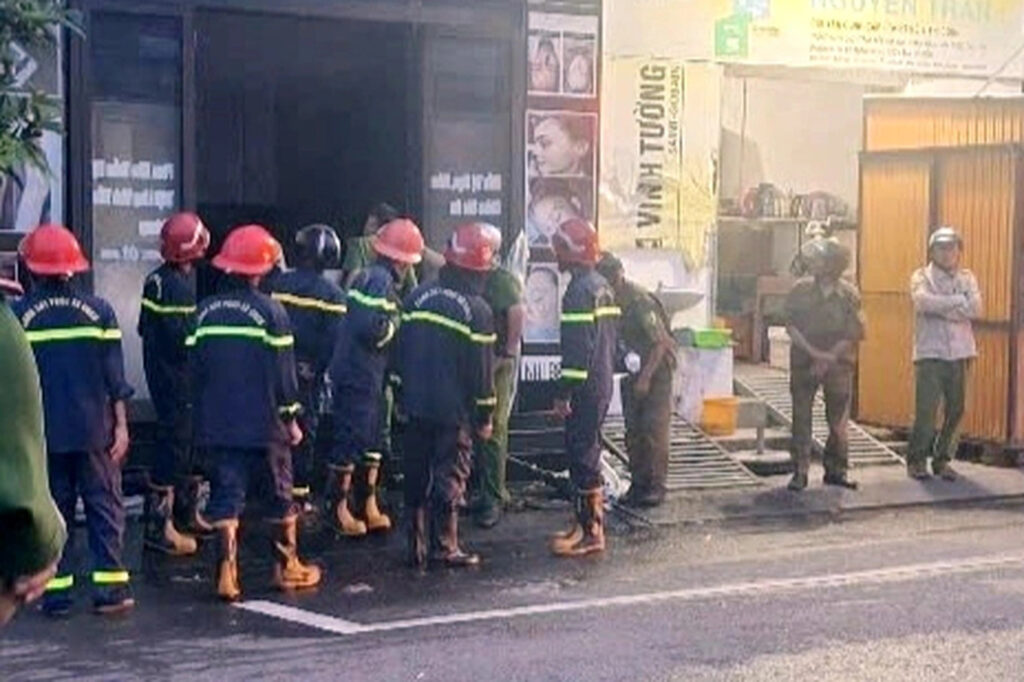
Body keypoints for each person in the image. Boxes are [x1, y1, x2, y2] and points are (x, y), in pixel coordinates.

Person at [190, 224, 320, 602]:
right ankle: (286, 567)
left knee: (226, 495)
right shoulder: (272, 312)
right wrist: (291, 419)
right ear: (261, 270)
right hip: (265, 426)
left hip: (219, 424)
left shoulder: (204, 312)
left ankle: (226, 575)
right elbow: (284, 376)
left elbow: (194, 370)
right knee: (280, 495)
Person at [12, 224, 135, 616]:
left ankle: (56, 595)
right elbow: (116, 379)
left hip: (44, 435)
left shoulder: (18, 316)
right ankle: (110, 592)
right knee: (104, 509)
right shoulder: (100, 312)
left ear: (31, 267)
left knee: (54, 512)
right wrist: (122, 426)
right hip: (95, 431)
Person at [398, 222, 497, 567]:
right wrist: (485, 417)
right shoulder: (478, 311)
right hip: (453, 413)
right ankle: (445, 546)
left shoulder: (416, 297)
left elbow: (399, 353)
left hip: (415, 405)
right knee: (450, 476)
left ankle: (415, 547)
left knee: (416, 474)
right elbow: (482, 374)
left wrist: (401, 395)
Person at [327, 218, 424, 537]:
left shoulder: (374, 278)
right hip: (359, 373)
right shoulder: (379, 281)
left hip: (372, 374)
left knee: (372, 439)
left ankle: (367, 504)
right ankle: (337, 510)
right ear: (401, 260)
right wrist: (397, 324)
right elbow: (370, 328)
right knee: (350, 437)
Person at [138, 212, 210, 556]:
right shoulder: (179, 288)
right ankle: (160, 526)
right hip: (177, 380)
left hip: (161, 376)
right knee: (175, 445)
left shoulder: (155, 280)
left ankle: (185, 513)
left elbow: (145, 328)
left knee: (185, 441)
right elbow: (186, 341)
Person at [549, 219, 619, 557]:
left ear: (573, 252)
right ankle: (583, 525)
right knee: (585, 452)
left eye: (560, 249)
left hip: (586, 388)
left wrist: (564, 392)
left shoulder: (578, 293)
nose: (556, 255)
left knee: (582, 455)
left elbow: (577, 352)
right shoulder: (602, 286)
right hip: (600, 382)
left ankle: (591, 533)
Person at [0, 275, 65, 626]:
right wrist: (42, 540)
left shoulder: (23, 313)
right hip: (83, 430)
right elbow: (21, 504)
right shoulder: (6, 326)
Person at [269, 224, 347, 508]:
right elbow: (333, 342)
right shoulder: (333, 295)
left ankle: (274, 491)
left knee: (274, 429)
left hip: (274, 370)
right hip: (306, 375)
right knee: (303, 433)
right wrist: (318, 369)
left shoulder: (279, 284)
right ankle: (299, 498)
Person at [784, 238, 865, 492]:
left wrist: (829, 357)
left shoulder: (849, 294)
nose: (814, 263)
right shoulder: (800, 290)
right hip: (804, 361)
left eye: (820, 260)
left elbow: (854, 332)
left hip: (838, 364)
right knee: (801, 418)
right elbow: (790, 326)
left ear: (833, 265)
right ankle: (800, 471)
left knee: (838, 422)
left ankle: (836, 470)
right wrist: (816, 354)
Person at [596, 252, 676, 508]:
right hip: (633, 369)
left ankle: (655, 486)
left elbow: (661, 343)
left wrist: (646, 378)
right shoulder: (610, 297)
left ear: (619, 276)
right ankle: (639, 483)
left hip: (656, 371)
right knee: (633, 430)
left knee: (653, 430)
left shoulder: (640, 301)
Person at [907, 227, 981, 481]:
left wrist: (942, 306)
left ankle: (942, 460)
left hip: (960, 353)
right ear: (932, 251)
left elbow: (975, 309)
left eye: (952, 248)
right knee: (926, 410)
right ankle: (917, 460)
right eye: (941, 248)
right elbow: (923, 303)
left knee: (957, 408)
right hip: (930, 353)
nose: (947, 253)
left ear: (959, 251)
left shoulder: (967, 278)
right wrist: (958, 301)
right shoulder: (921, 276)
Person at [472, 224, 524, 529]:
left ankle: (492, 499)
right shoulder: (474, 274)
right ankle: (485, 492)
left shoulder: (501, 280)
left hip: (496, 361)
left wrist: (506, 353)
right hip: (479, 359)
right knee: (478, 428)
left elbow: (516, 313)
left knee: (492, 429)